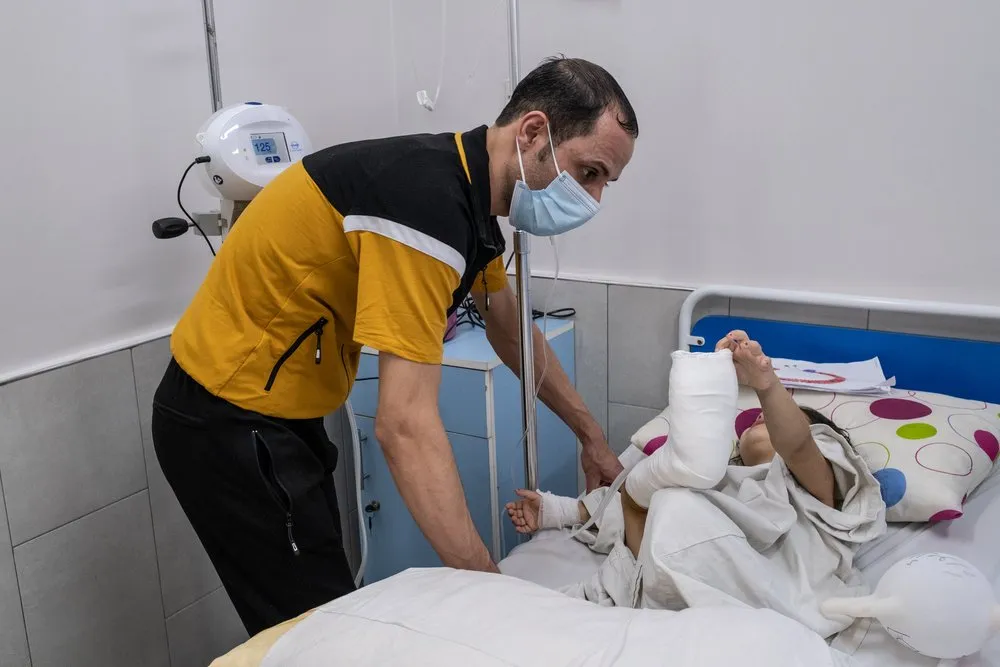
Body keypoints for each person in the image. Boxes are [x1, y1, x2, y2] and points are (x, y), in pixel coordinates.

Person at [151, 56, 637, 636]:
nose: (593, 198)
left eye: (604, 183)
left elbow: (508, 328)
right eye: (588, 172)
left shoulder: (467, 195)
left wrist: (591, 437)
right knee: (315, 634)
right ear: (534, 132)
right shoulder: (424, 205)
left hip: (283, 413)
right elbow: (404, 425)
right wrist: (495, 592)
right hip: (228, 418)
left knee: (322, 611)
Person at [506, 330, 886, 637]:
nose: (758, 420)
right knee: (663, 496)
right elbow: (622, 510)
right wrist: (557, 511)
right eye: (756, 418)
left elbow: (798, 445)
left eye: (768, 419)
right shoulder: (718, 479)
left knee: (666, 499)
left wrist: (766, 384)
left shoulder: (816, 488)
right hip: (668, 581)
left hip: (770, 598)